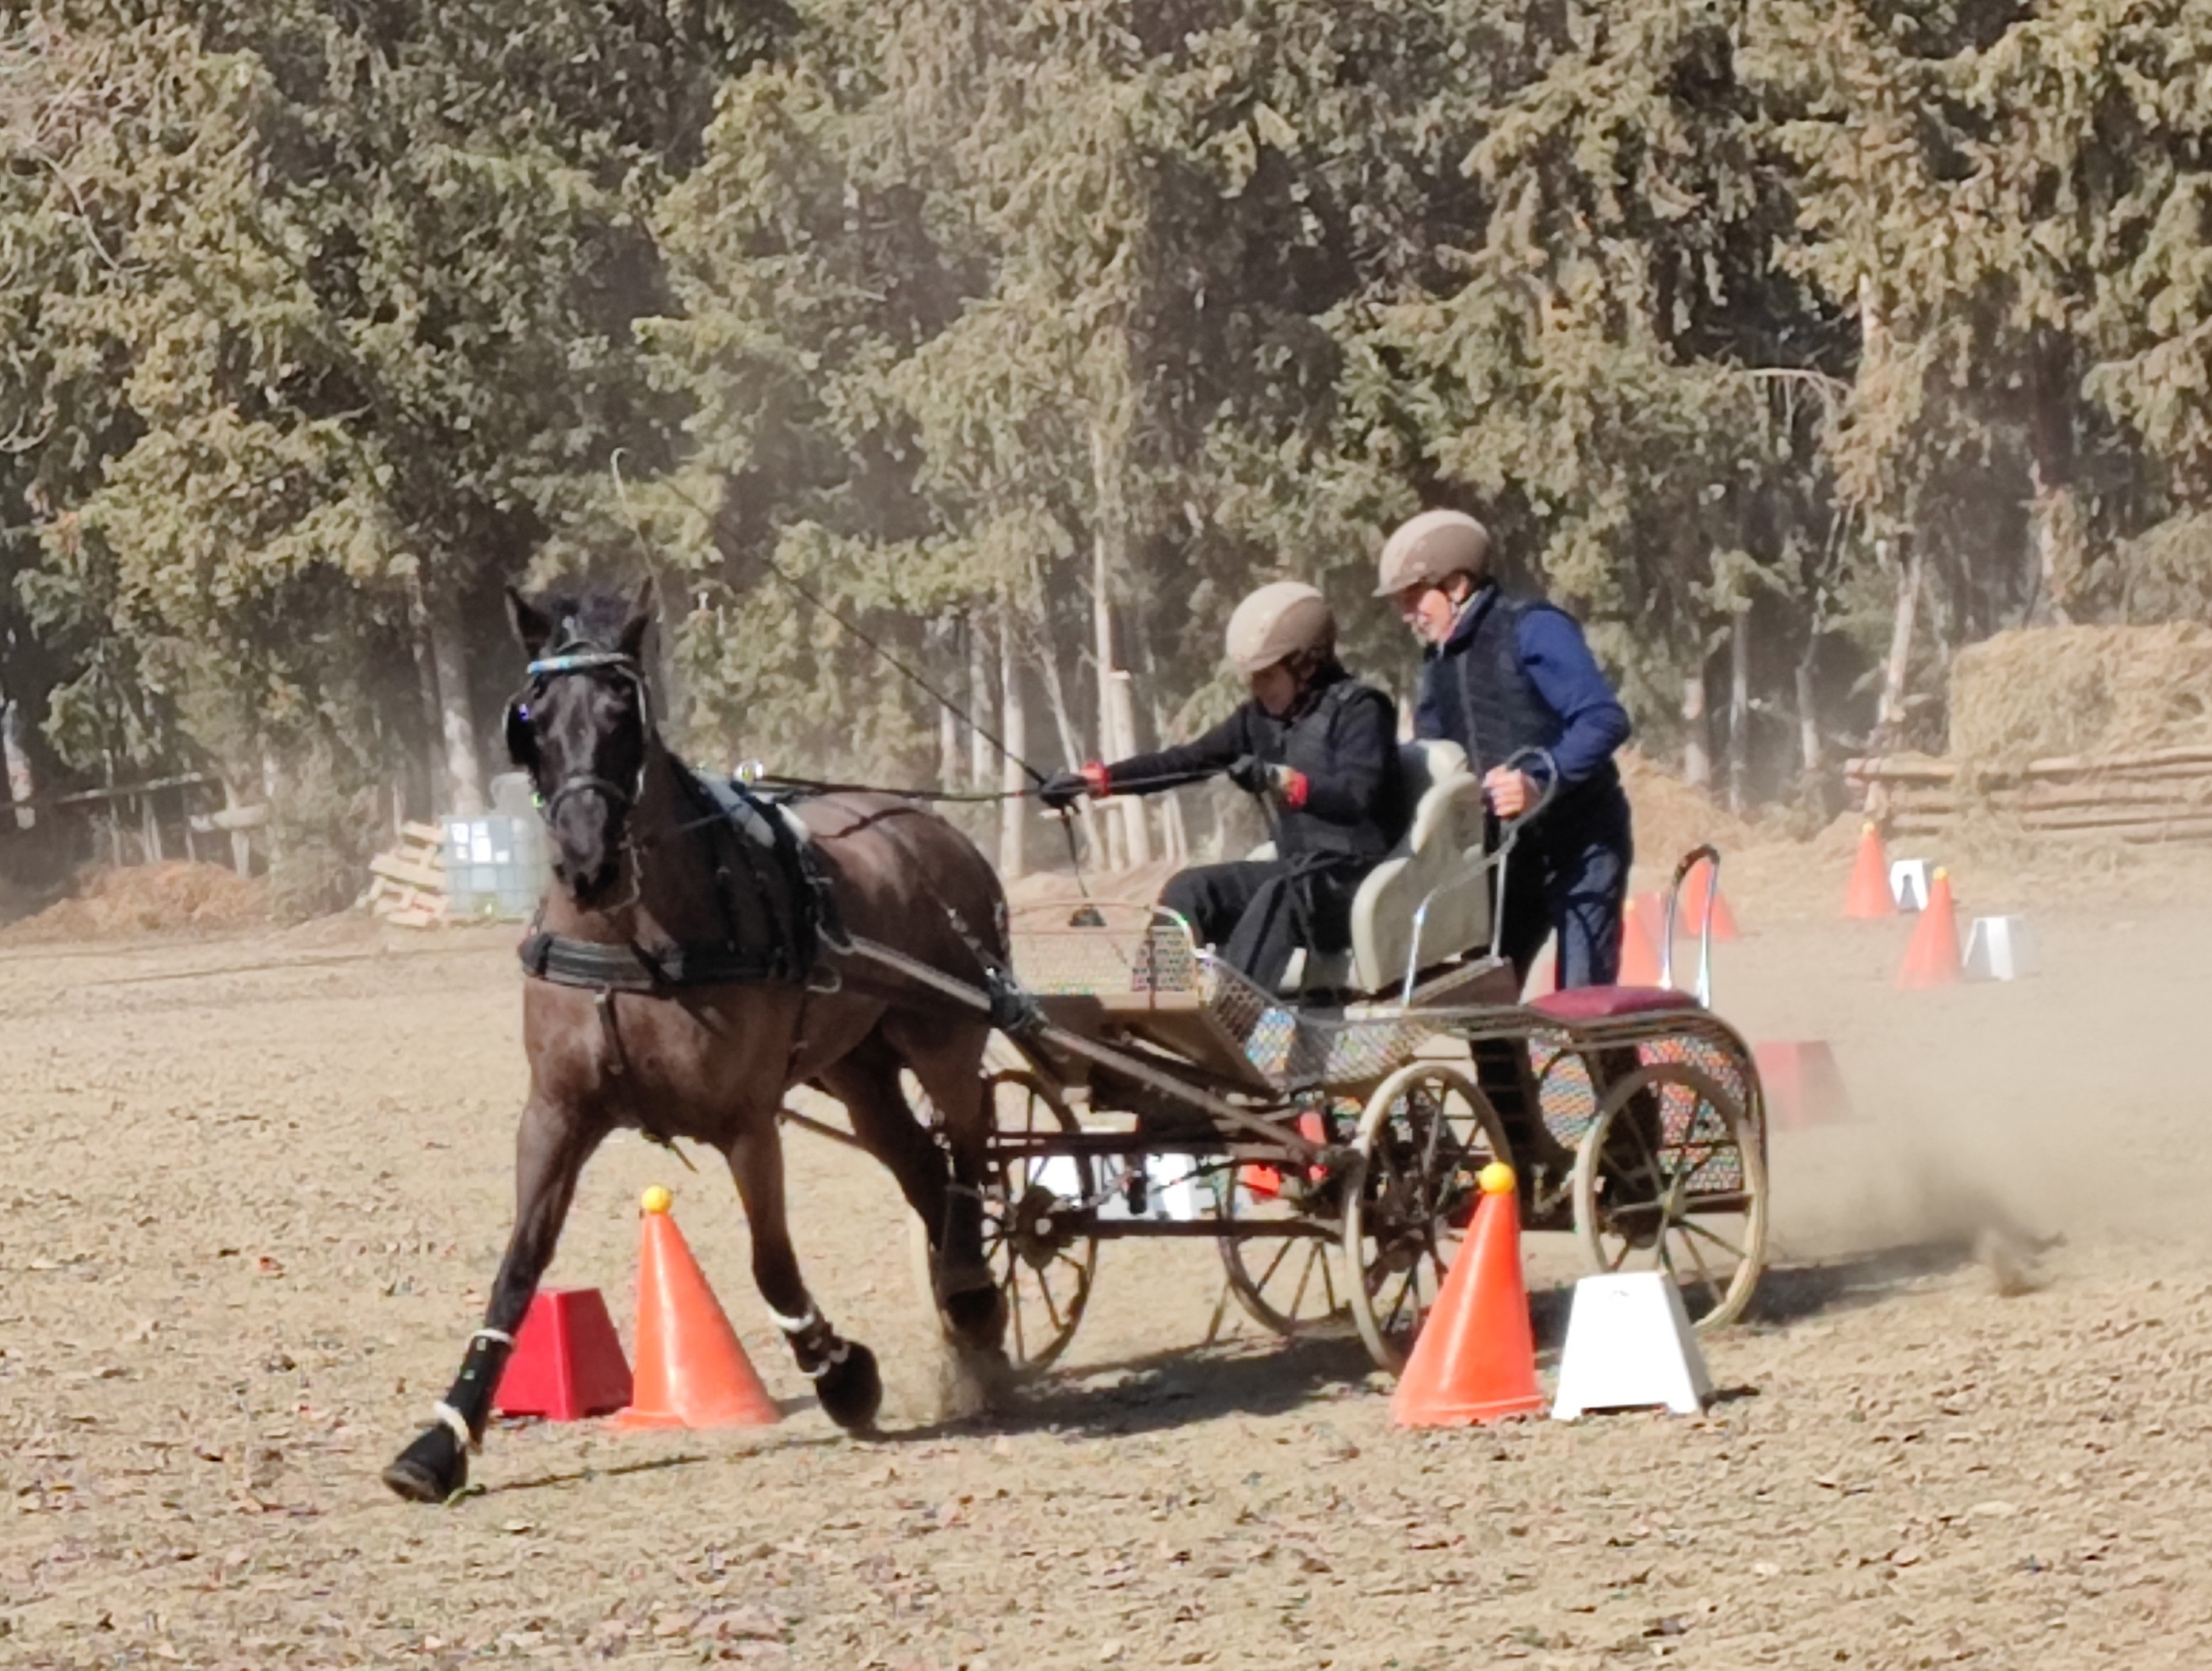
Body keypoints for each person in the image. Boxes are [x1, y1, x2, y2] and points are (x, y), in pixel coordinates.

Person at [1038, 582, 1404, 992]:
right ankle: (1156, 1005)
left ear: (1307, 666)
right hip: (1296, 874)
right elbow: (1185, 762)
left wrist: (1279, 779)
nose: (1257, 688)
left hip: (1356, 883)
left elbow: (1355, 796)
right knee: (1189, 890)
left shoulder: (1362, 710)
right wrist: (1096, 782)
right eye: (1253, 677)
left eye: (1267, 676)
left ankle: (1229, 1015)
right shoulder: (1258, 719)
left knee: (1280, 894)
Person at [1375, 509, 1634, 989]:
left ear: (1456, 585)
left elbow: (1604, 719)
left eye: (1414, 598)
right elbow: (1435, 757)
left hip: (1582, 843)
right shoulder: (1437, 662)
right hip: (1508, 855)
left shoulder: (1534, 628)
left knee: (1580, 1001)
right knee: (1482, 997)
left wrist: (1539, 779)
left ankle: (1602, 1043)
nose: (1407, 615)